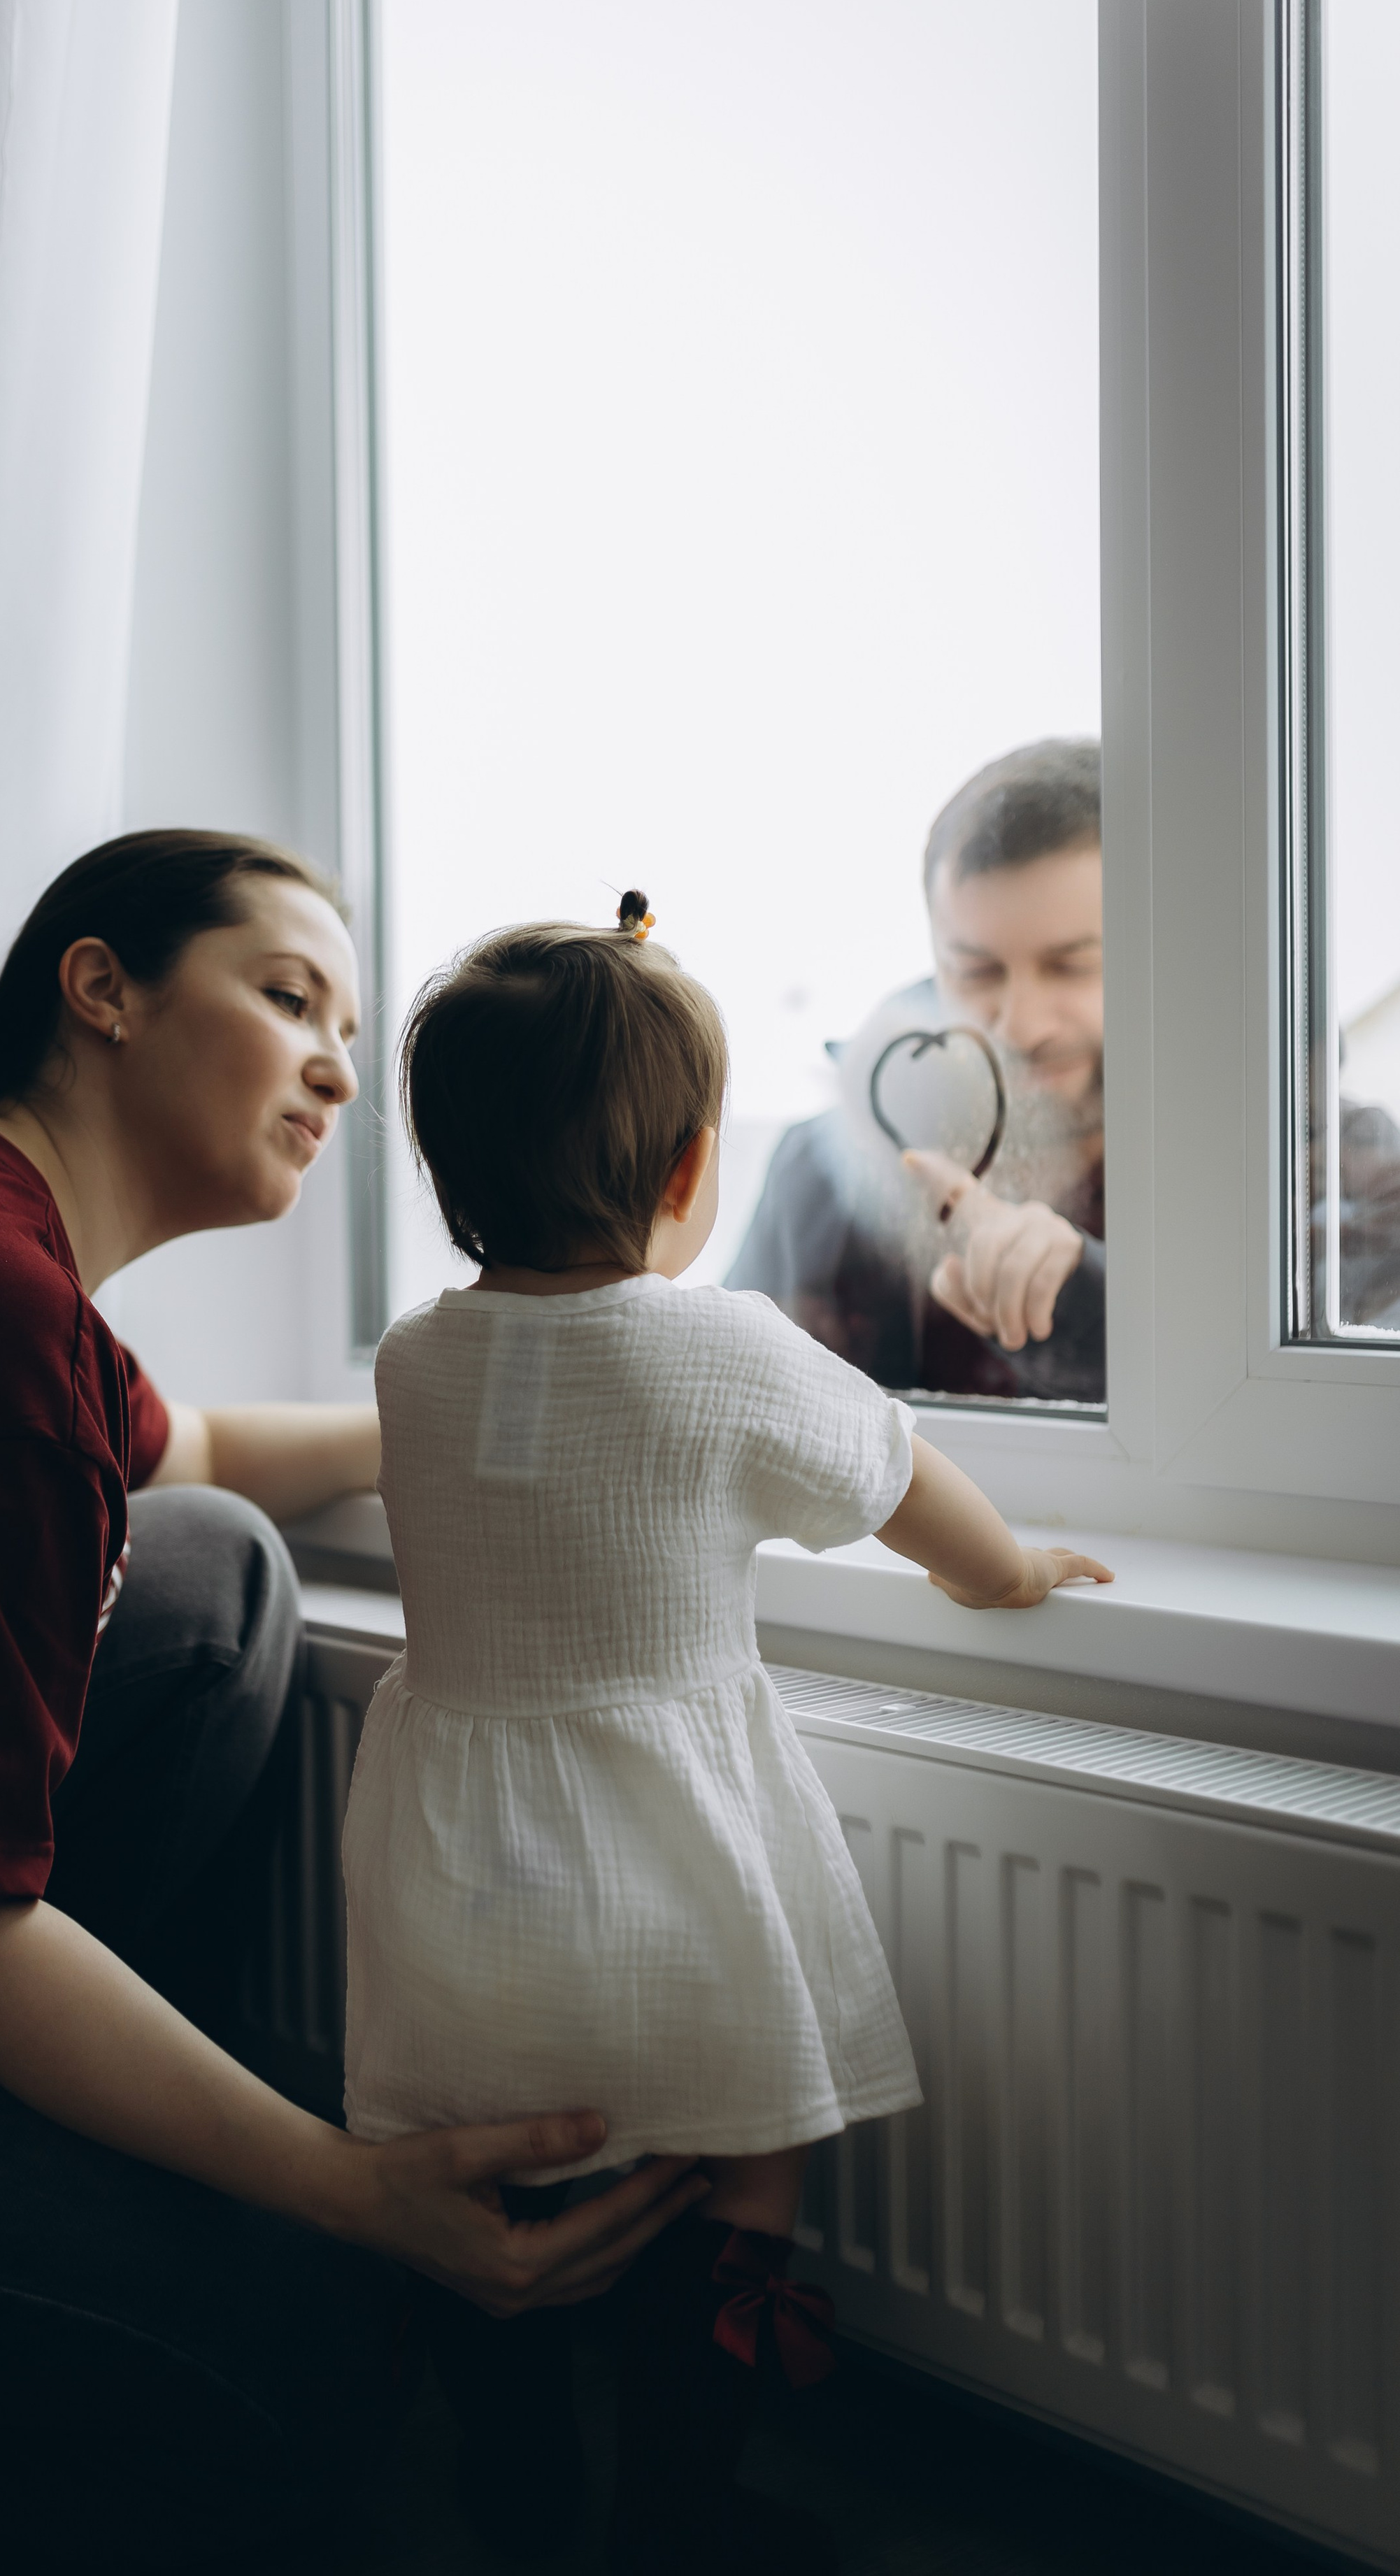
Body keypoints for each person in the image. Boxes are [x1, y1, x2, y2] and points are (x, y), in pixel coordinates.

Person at [0, 830, 706, 2564]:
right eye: (289, 999)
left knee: (206, 1564)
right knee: (315, 2319)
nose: (341, 1065)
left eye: (348, 1026)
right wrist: (350, 2185)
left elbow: (190, 1453)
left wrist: (537, 1382)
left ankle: (6, 2165)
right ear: (101, 989)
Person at [340, 895, 1111, 2573]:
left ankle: (512, 2481)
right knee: (739, 2160)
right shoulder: (722, 1348)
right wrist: (1011, 1568)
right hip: (670, 1853)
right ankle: (676, 2507)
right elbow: (912, 1490)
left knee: (494, 2189)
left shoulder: (413, 1357)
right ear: (691, 1164)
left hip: (455, 1872)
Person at [729, 738, 1108, 1401]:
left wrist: (1090, 1303)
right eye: (976, 971)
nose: (1019, 1025)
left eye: (1073, 966)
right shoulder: (819, 1175)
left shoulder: (1290, 1172)